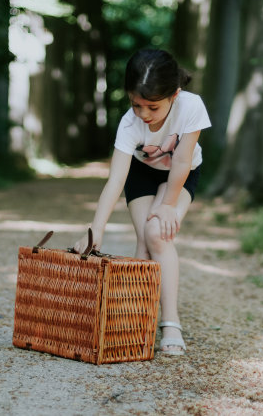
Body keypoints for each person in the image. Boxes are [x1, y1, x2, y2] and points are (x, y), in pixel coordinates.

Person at [73, 49, 211, 356]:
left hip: (182, 174)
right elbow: (115, 180)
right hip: (141, 175)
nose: (144, 114)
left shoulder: (190, 106)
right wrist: (96, 229)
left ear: (174, 94)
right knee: (144, 243)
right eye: (136, 104)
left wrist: (167, 204)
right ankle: (138, 322)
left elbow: (183, 160)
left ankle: (170, 322)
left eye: (153, 106)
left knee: (156, 233)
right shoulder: (128, 125)